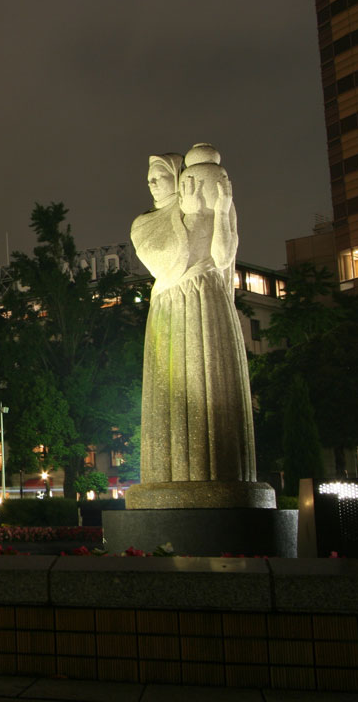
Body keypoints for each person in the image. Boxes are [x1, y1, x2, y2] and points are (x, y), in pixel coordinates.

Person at [130, 146, 256, 490]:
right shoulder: (144, 224)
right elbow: (165, 263)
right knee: (173, 386)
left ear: (180, 178)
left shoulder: (206, 201)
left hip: (208, 298)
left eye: (161, 177)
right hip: (172, 304)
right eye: (150, 179)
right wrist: (188, 217)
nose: (154, 184)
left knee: (213, 377)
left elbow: (222, 255)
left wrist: (219, 212)